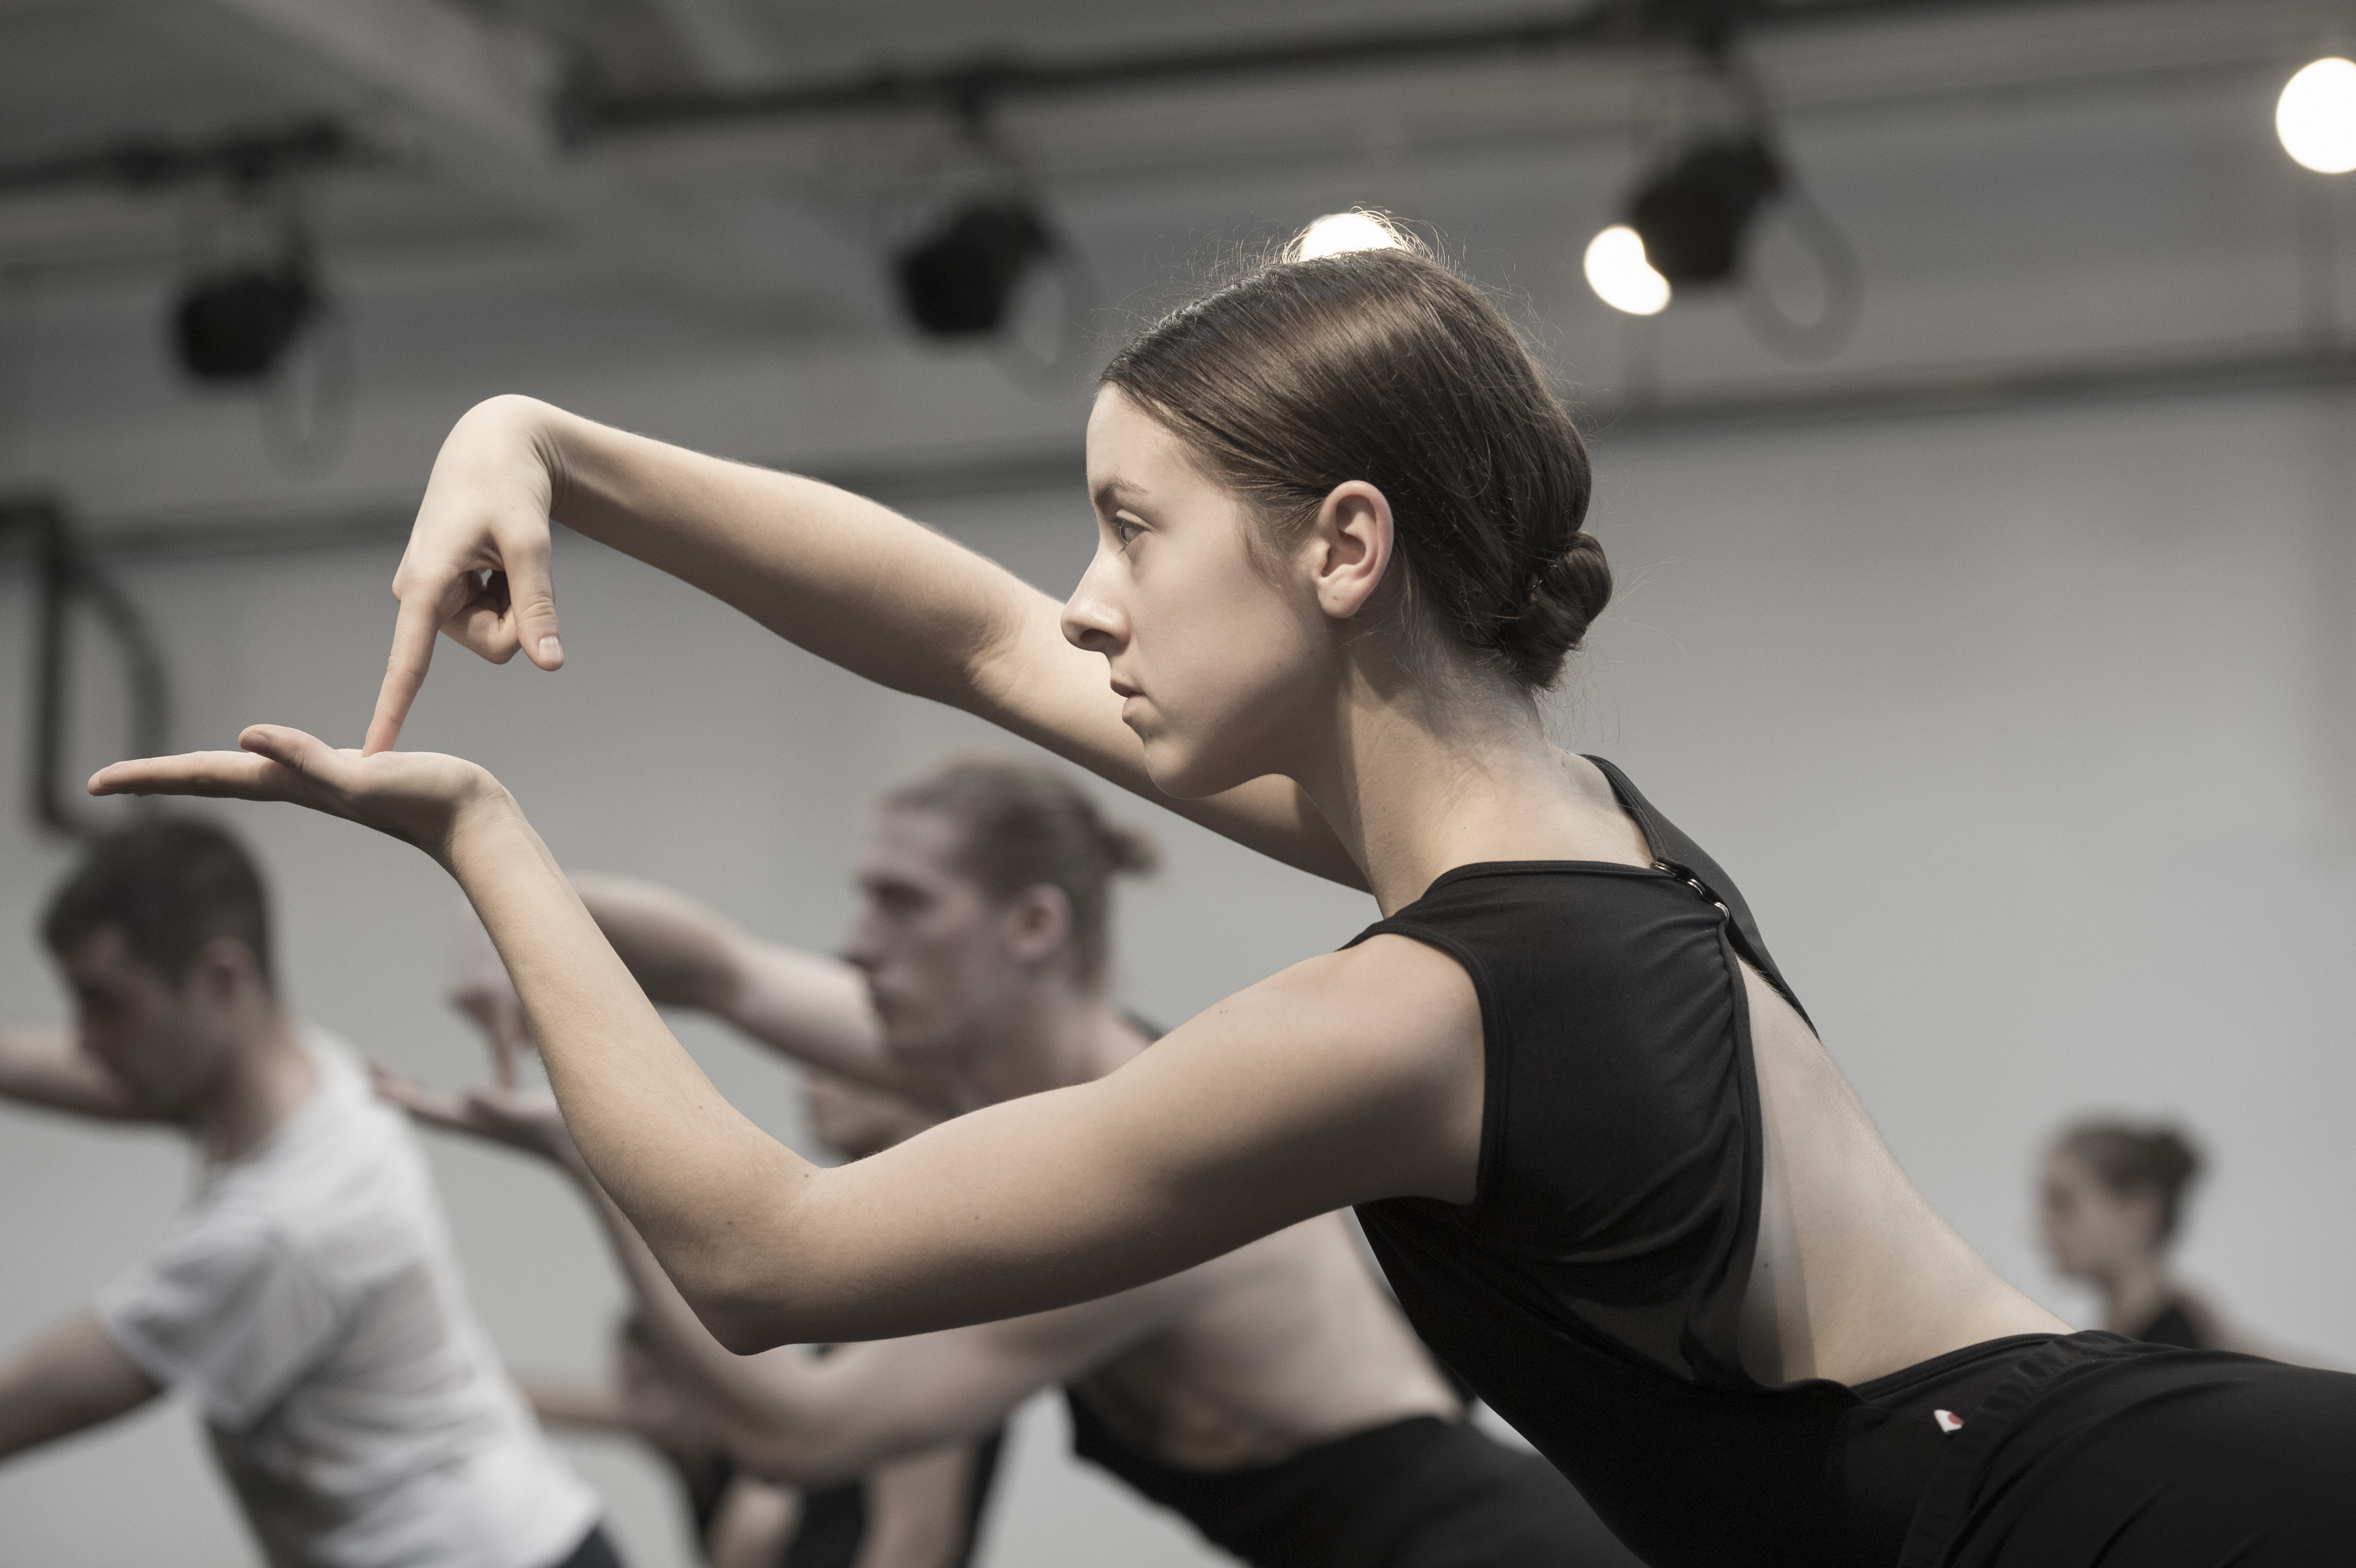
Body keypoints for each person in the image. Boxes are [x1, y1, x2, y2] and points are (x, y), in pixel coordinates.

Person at [96, 225, 2356, 1567]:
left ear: (1344, 545)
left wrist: (487, 836)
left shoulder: (1412, 1016)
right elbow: (968, 634)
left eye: (1132, 526)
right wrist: (551, 442)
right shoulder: (1581, 830)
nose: (1084, 600)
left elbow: (767, 1269)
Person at [387, 755, 1633, 1568]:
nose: (857, 945)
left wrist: (580, 1162)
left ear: (1031, 929)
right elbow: (712, 965)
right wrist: (491, 904)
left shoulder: (1146, 1177)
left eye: (902, 904)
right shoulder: (1020, 1077)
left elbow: (802, 1431)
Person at [0, 818, 618, 1568]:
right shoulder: (312, 1079)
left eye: (105, 1003)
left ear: (221, 980)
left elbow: (31, 1404)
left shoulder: (281, 1226)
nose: (86, 1038)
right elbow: (134, 1088)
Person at [2040, 1118, 2258, 1353]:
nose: (2045, 1223)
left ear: (2139, 1210)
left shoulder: (2167, 1345)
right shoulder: (2152, 1334)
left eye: (2062, 1203)